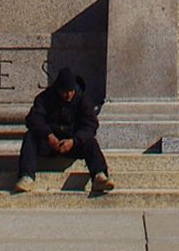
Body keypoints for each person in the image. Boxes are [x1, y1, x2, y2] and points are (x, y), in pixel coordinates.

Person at [14, 68, 115, 196]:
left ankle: (99, 175)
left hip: (73, 143)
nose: (68, 95)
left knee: (90, 142)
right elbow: (33, 118)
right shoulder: (45, 98)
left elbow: (90, 125)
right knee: (30, 136)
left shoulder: (82, 100)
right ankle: (26, 176)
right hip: (50, 143)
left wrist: (74, 141)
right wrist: (48, 135)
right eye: (64, 92)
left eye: (71, 91)